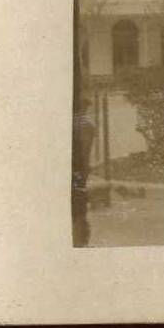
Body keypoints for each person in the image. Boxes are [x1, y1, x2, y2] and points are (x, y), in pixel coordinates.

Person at [72, 96, 95, 247]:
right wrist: (85, 170)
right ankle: (80, 241)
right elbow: (85, 152)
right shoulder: (86, 124)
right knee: (79, 203)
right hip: (77, 170)